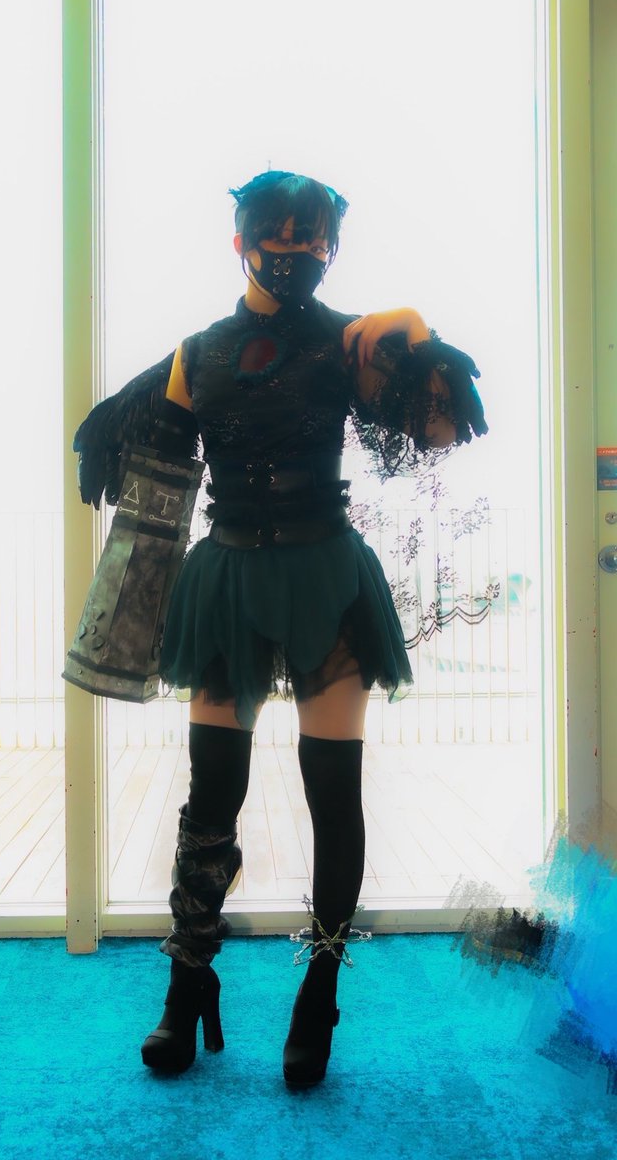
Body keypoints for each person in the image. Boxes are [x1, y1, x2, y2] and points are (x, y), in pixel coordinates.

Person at [72, 170, 487, 1087]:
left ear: (332, 247)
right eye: (279, 234)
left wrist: (414, 332)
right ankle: (188, 985)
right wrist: (126, 621)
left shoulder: (350, 340)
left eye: (315, 238)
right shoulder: (198, 354)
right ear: (241, 242)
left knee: (332, 793)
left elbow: (440, 429)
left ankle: (320, 993)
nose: (297, 251)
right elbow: (154, 495)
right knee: (211, 793)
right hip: (227, 580)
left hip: (327, 579)